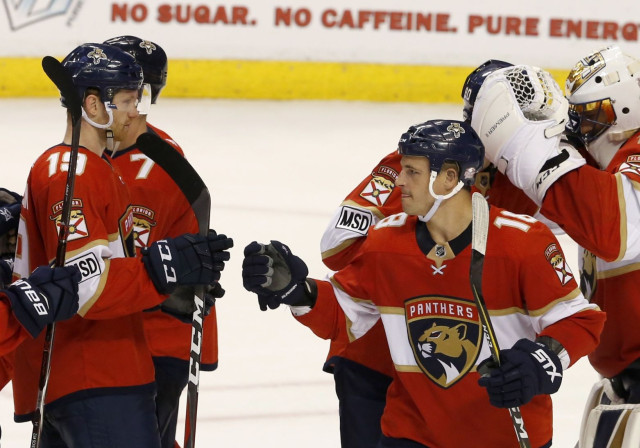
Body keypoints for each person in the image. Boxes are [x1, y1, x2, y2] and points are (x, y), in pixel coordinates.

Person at [243, 119, 605, 447]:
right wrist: (295, 291)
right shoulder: (385, 241)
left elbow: (581, 321)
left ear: (449, 179)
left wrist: (541, 362)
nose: (398, 181)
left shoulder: (522, 242)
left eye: (412, 172)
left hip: (502, 436)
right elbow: (345, 316)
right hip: (411, 433)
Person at [469, 45, 640, 447]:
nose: (582, 126)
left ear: (627, 107)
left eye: (594, 114)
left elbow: (612, 232)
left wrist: (525, 141)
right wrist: (488, 162)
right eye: (579, 115)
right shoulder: (610, 165)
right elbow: (535, 209)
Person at [11, 43, 233, 447]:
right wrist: (163, 267)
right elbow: (86, 287)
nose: (137, 111)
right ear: (93, 106)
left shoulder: (92, 168)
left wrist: (167, 285)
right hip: (92, 371)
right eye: (129, 100)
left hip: (98, 371)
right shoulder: (73, 172)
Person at [315, 59, 545, 447]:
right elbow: (336, 248)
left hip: (455, 373)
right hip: (378, 356)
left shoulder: (521, 180)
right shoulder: (417, 167)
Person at [103, 35, 222, 448]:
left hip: (153, 343)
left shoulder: (166, 163)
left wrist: (189, 280)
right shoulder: (77, 156)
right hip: (92, 339)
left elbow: (193, 265)